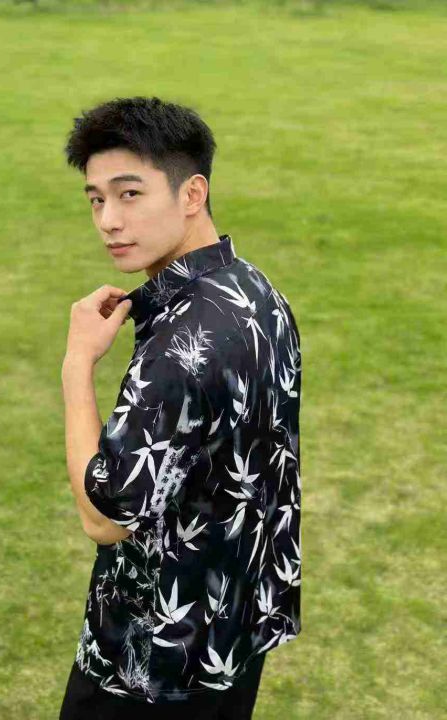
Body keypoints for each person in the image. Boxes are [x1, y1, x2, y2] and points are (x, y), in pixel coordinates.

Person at [60, 96, 302, 718]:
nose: (108, 220)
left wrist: (77, 364)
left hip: (150, 666)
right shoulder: (258, 291)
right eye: (96, 199)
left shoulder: (179, 348)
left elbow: (105, 519)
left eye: (129, 194)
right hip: (233, 635)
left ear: (192, 194)